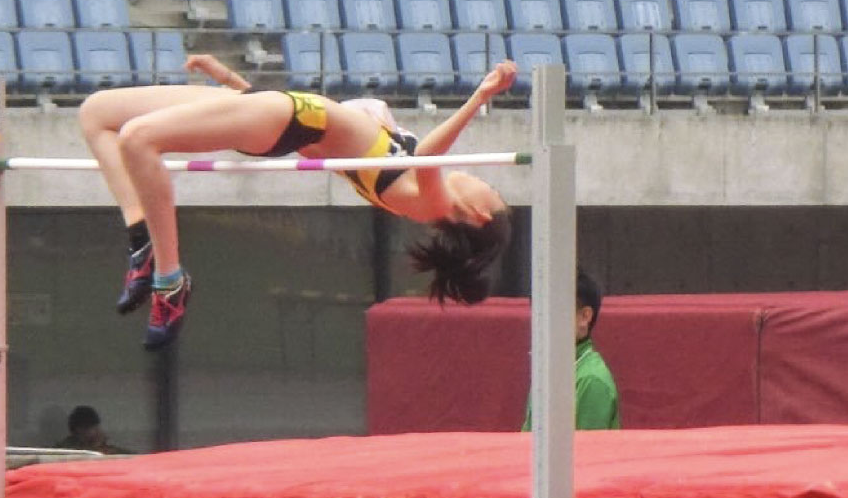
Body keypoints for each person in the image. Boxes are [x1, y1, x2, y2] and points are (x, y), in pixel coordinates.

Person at [79, 55, 519, 350]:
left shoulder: (429, 205)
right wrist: (230, 80)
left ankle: (169, 278)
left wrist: (479, 97)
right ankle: (141, 237)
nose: (480, 176)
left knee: (138, 139)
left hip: (289, 115)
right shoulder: (402, 164)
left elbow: (427, 157)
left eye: (490, 188)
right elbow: (297, 135)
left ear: (479, 214)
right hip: (274, 109)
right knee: (96, 113)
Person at [522, 270, 620, 431]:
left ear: (585, 316)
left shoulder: (592, 380)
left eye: (553, 311)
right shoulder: (550, 368)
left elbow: (587, 453)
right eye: (538, 312)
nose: (542, 322)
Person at [53, 406, 129, 454]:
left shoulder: (110, 450)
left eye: (97, 427)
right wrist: (96, 446)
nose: (98, 431)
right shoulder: (64, 451)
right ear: (79, 429)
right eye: (93, 427)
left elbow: (131, 457)